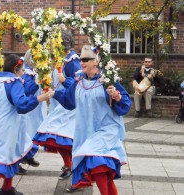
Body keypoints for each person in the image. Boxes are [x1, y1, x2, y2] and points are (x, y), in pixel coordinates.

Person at [51, 45, 132, 194]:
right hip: (86, 131)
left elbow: (125, 105)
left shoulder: (107, 80)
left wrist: (116, 96)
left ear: (96, 61)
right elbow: (69, 102)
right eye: (81, 59)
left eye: (86, 59)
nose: (82, 62)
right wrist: (53, 93)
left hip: (106, 129)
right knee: (104, 173)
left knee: (97, 163)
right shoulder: (78, 81)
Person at [0, 54, 51, 195]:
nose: (23, 73)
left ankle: (7, 189)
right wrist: (40, 98)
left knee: (13, 153)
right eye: (22, 71)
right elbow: (21, 105)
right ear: (15, 69)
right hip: (6, 128)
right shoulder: (14, 82)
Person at [33, 29, 81, 180]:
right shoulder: (63, 60)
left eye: (55, 43)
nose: (53, 47)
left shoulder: (72, 62)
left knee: (59, 137)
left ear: (61, 44)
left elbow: (79, 85)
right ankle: (69, 165)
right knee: (58, 137)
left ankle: (74, 167)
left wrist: (65, 81)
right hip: (58, 104)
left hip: (68, 107)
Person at [17, 49, 48, 174]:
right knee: (26, 134)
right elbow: (27, 90)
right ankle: (18, 161)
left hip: (36, 109)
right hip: (29, 110)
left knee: (34, 133)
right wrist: (36, 83)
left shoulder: (34, 73)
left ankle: (28, 156)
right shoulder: (27, 74)